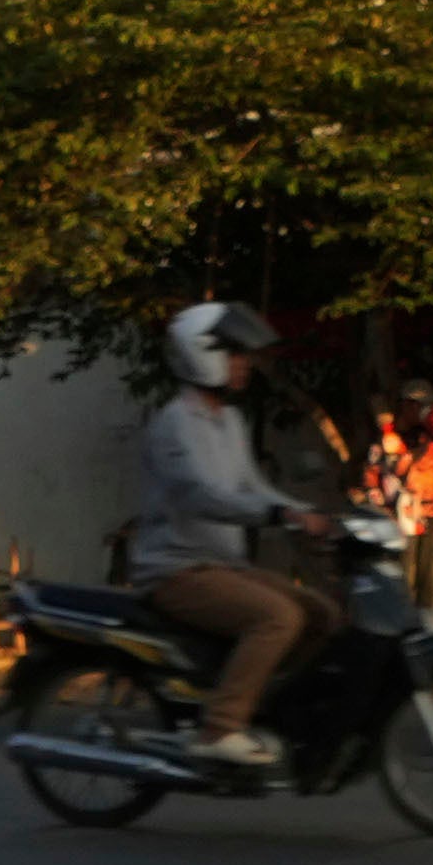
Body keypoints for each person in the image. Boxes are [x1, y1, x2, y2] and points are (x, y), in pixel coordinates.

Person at [125, 295, 320, 779]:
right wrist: (277, 514)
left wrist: (309, 514)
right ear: (203, 354)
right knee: (277, 617)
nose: (244, 364)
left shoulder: (231, 421)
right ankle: (219, 728)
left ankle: (265, 709)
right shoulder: (174, 423)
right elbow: (202, 497)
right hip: (177, 570)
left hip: (225, 567)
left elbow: (253, 487)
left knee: (322, 613)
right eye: (235, 354)